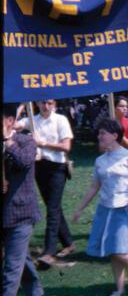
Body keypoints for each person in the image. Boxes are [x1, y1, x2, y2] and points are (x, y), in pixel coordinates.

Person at [71, 119, 128, 296]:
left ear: (115, 136)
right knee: (113, 251)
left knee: (122, 251)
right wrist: (79, 209)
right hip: (105, 209)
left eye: (102, 133)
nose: (99, 136)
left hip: (125, 208)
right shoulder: (100, 160)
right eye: (99, 133)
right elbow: (94, 186)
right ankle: (120, 288)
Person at [14, 99, 75, 268]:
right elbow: (11, 126)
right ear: (37, 104)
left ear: (54, 104)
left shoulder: (60, 120)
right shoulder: (32, 120)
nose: (45, 106)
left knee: (52, 208)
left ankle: (49, 252)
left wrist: (43, 144)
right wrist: (21, 106)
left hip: (57, 167)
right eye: (42, 103)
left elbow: (66, 146)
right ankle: (68, 242)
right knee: (52, 205)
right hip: (40, 167)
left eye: (49, 103)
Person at [3, 103, 45, 296]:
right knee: (20, 258)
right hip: (4, 213)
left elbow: (24, 161)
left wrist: (7, 142)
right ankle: (35, 292)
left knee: (11, 263)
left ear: (10, 121)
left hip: (21, 213)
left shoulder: (26, 141)